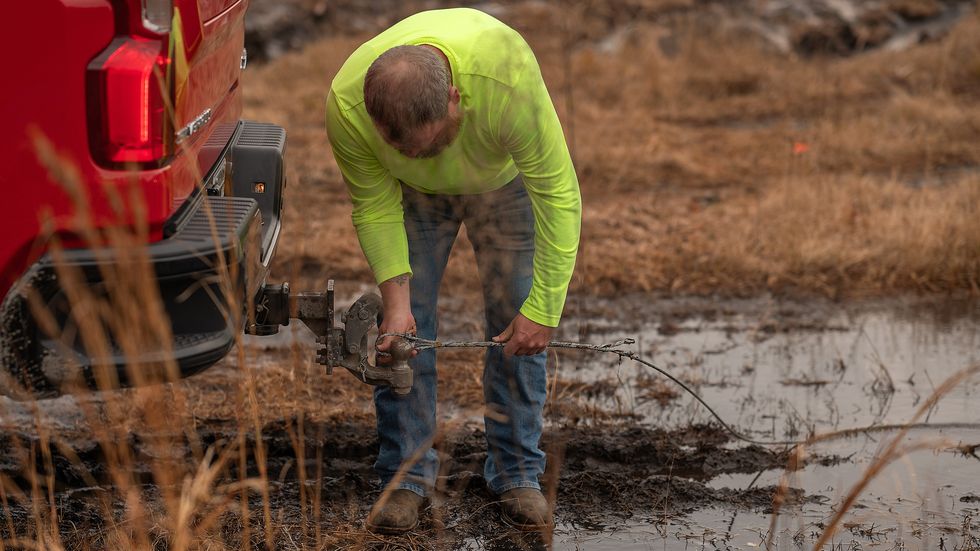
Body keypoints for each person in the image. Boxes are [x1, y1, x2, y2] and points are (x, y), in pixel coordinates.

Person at [325, 7, 581, 534]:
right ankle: (406, 479)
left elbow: (558, 195)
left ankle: (517, 475)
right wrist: (397, 307)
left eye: (431, 142)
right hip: (415, 203)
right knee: (404, 331)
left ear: (455, 99)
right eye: (404, 150)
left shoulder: (506, 77)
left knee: (517, 316)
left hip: (502, 187)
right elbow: (374, 206)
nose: (422, 156)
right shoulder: (347, 105)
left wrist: (544, 308)